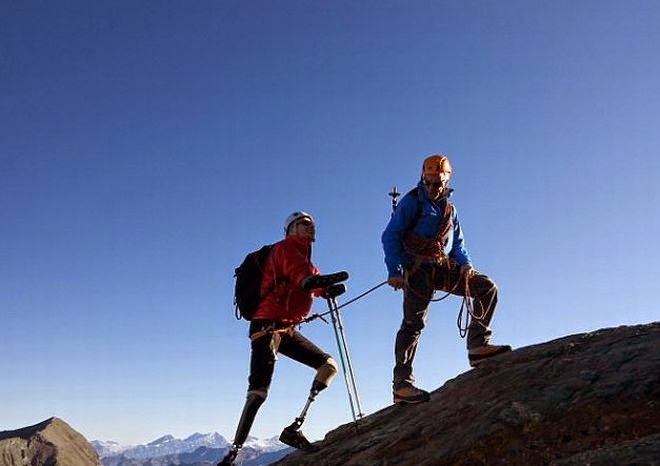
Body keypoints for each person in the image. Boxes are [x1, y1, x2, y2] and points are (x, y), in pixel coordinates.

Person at [219, 211, 348, 465]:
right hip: (266, 328)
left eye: (311, 225)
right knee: (258, 391)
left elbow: (310, 280)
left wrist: (326, 289)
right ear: (289, 230)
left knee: (328, 366)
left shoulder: (304, 258)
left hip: (285, 329)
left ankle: (295, 427)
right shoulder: (285, 250)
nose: (309, 228)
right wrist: (319, 283)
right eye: (303, 225)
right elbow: (303, 278)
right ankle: (233, 454)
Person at [382, 154, 511, 405]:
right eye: (429, 182)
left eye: (437, 183)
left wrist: (466, 266)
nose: (432, 187)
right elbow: (390, 236)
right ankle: (402, 384)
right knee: (413, 324)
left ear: (446, 181)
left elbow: (458, 244)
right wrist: (395, 271)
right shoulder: (411, 203)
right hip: (417, 270)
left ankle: (478, 346)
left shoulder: (450, 211)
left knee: (487, 288)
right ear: (423, 178)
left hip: (443, 267)